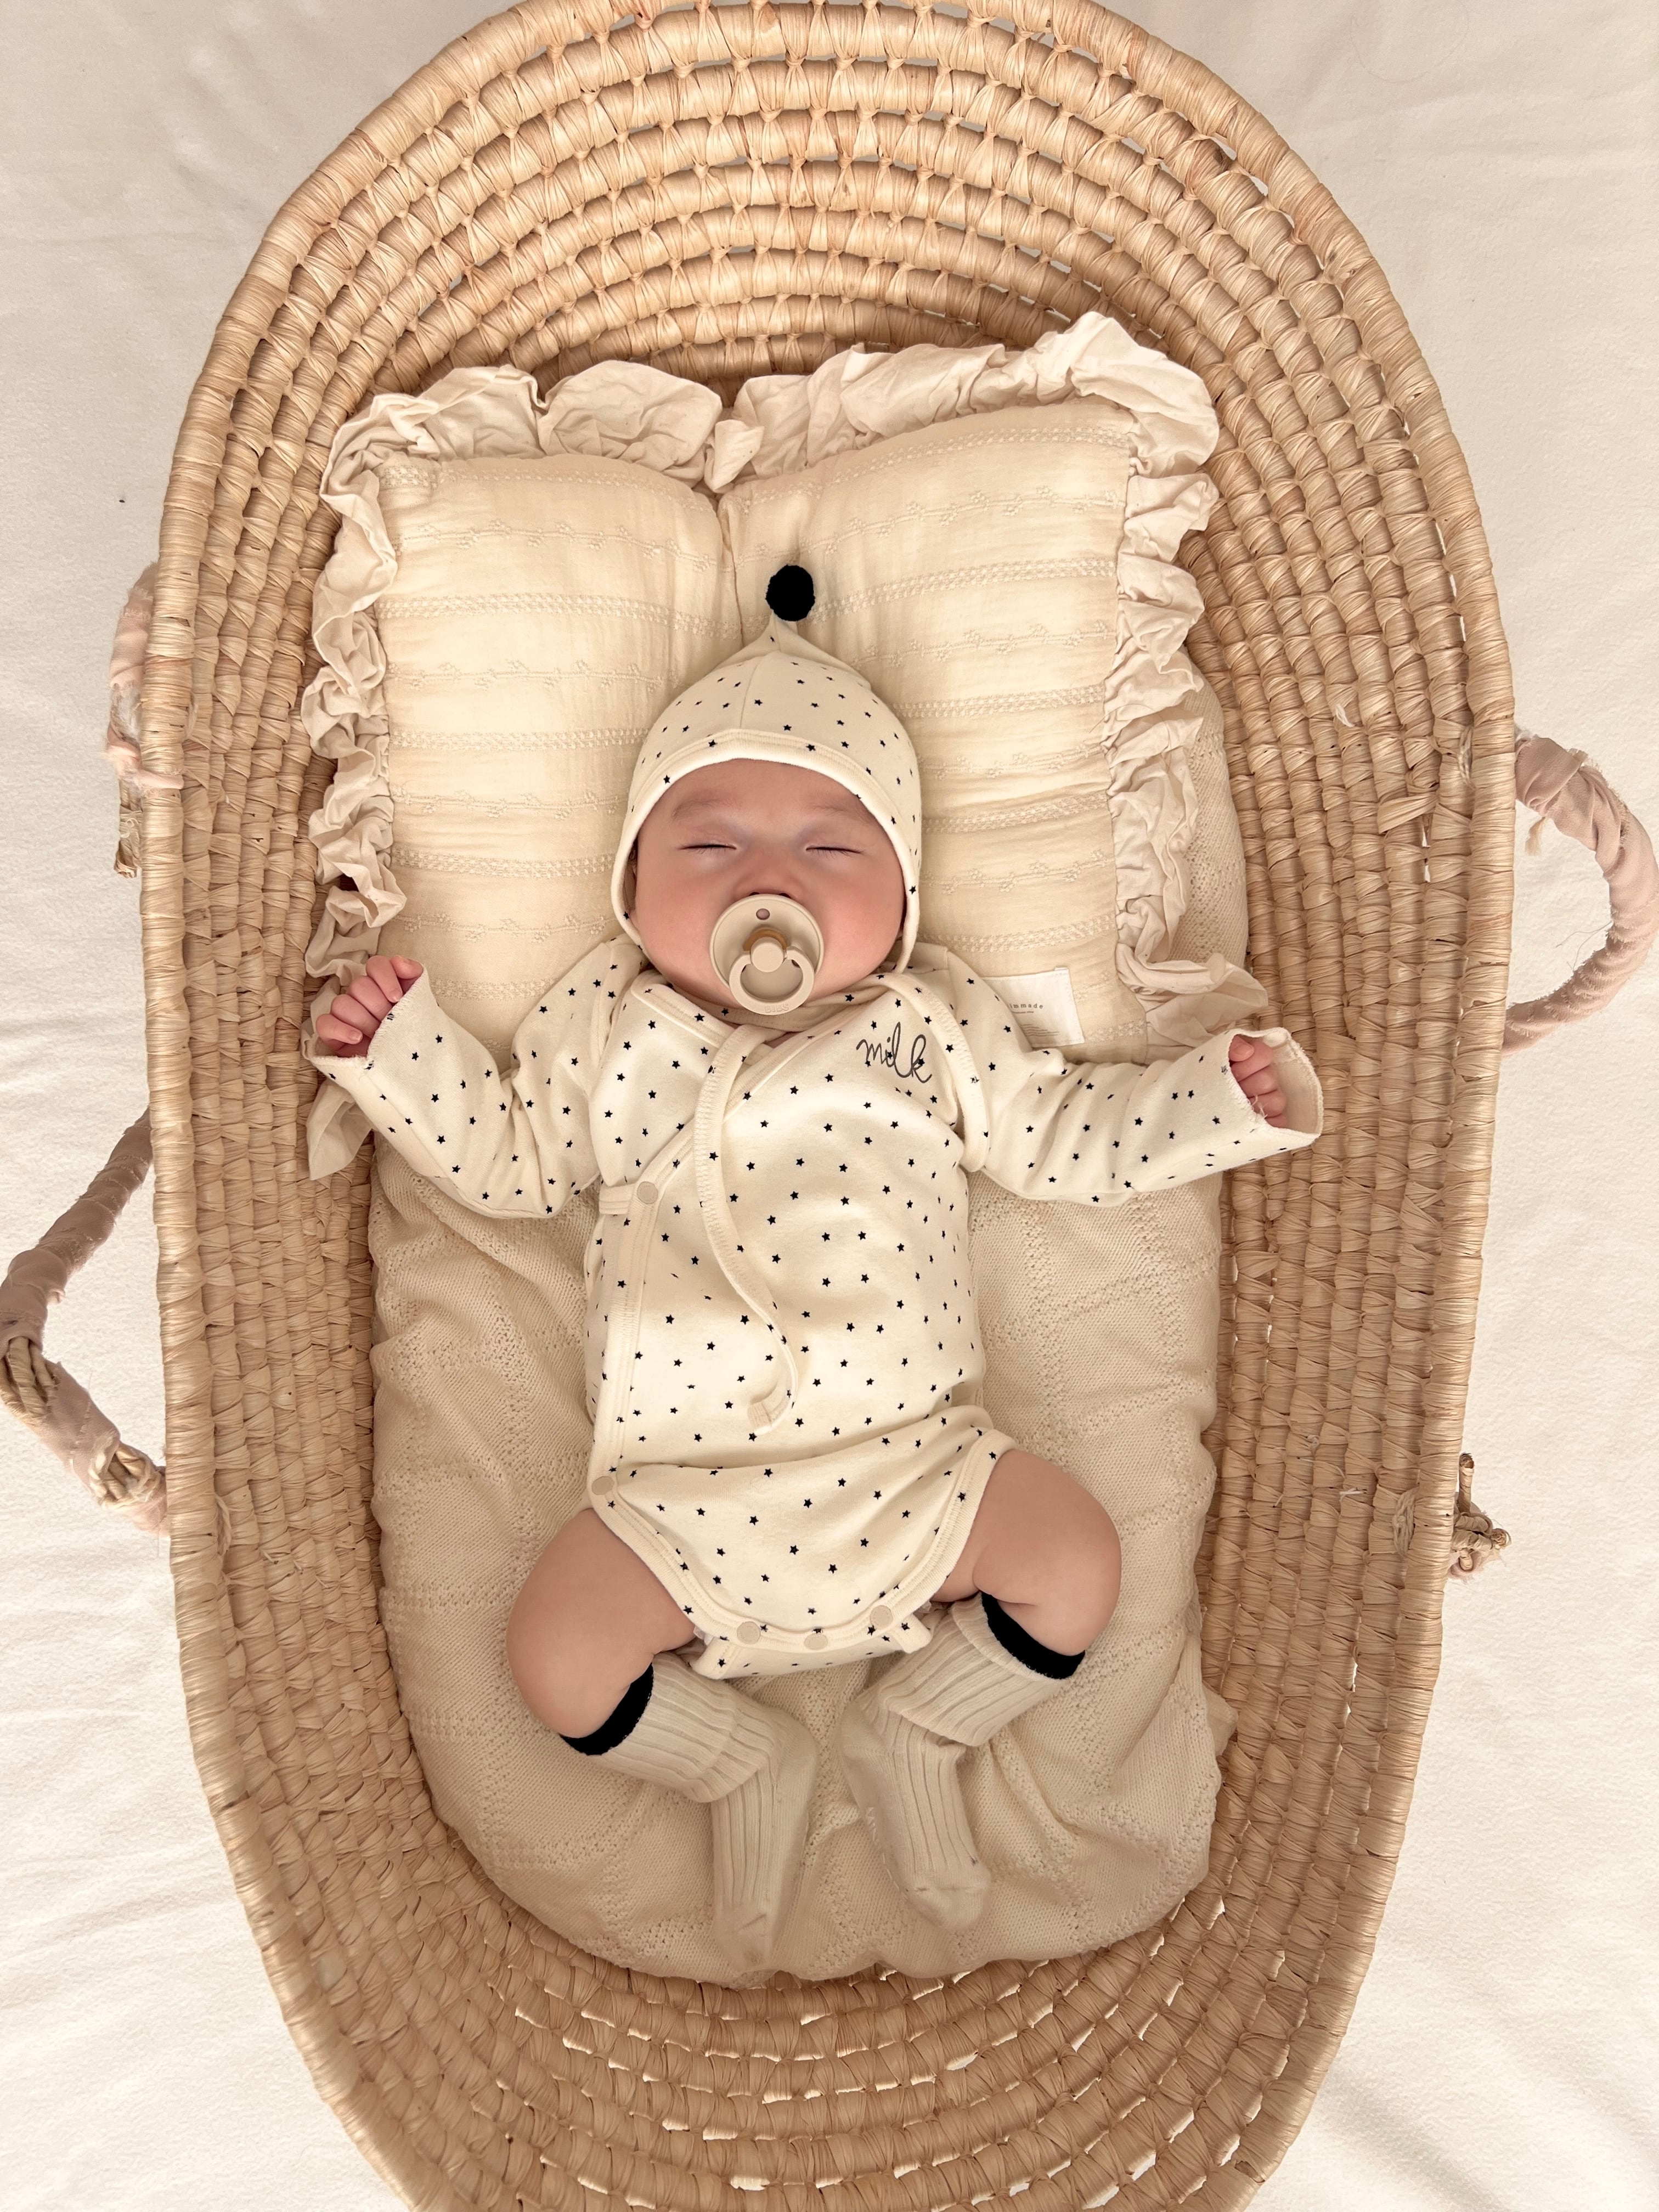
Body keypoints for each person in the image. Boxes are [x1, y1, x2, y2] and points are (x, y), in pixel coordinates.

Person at [311, 570, 1322, 1964]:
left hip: (916, 1464)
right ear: (632, 890)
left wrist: (1215, 1100)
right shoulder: (610, 1026)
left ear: (900, 906)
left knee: (1079, 1561)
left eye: (833, 848)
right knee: (554, 1653)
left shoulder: (924, 1026)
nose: (768, 877)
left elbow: (1059, 1137)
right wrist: (403, 1054)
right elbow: (512, 1162)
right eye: (709, 843)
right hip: (681, 1498)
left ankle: (925, 1726)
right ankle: (737, 1762)